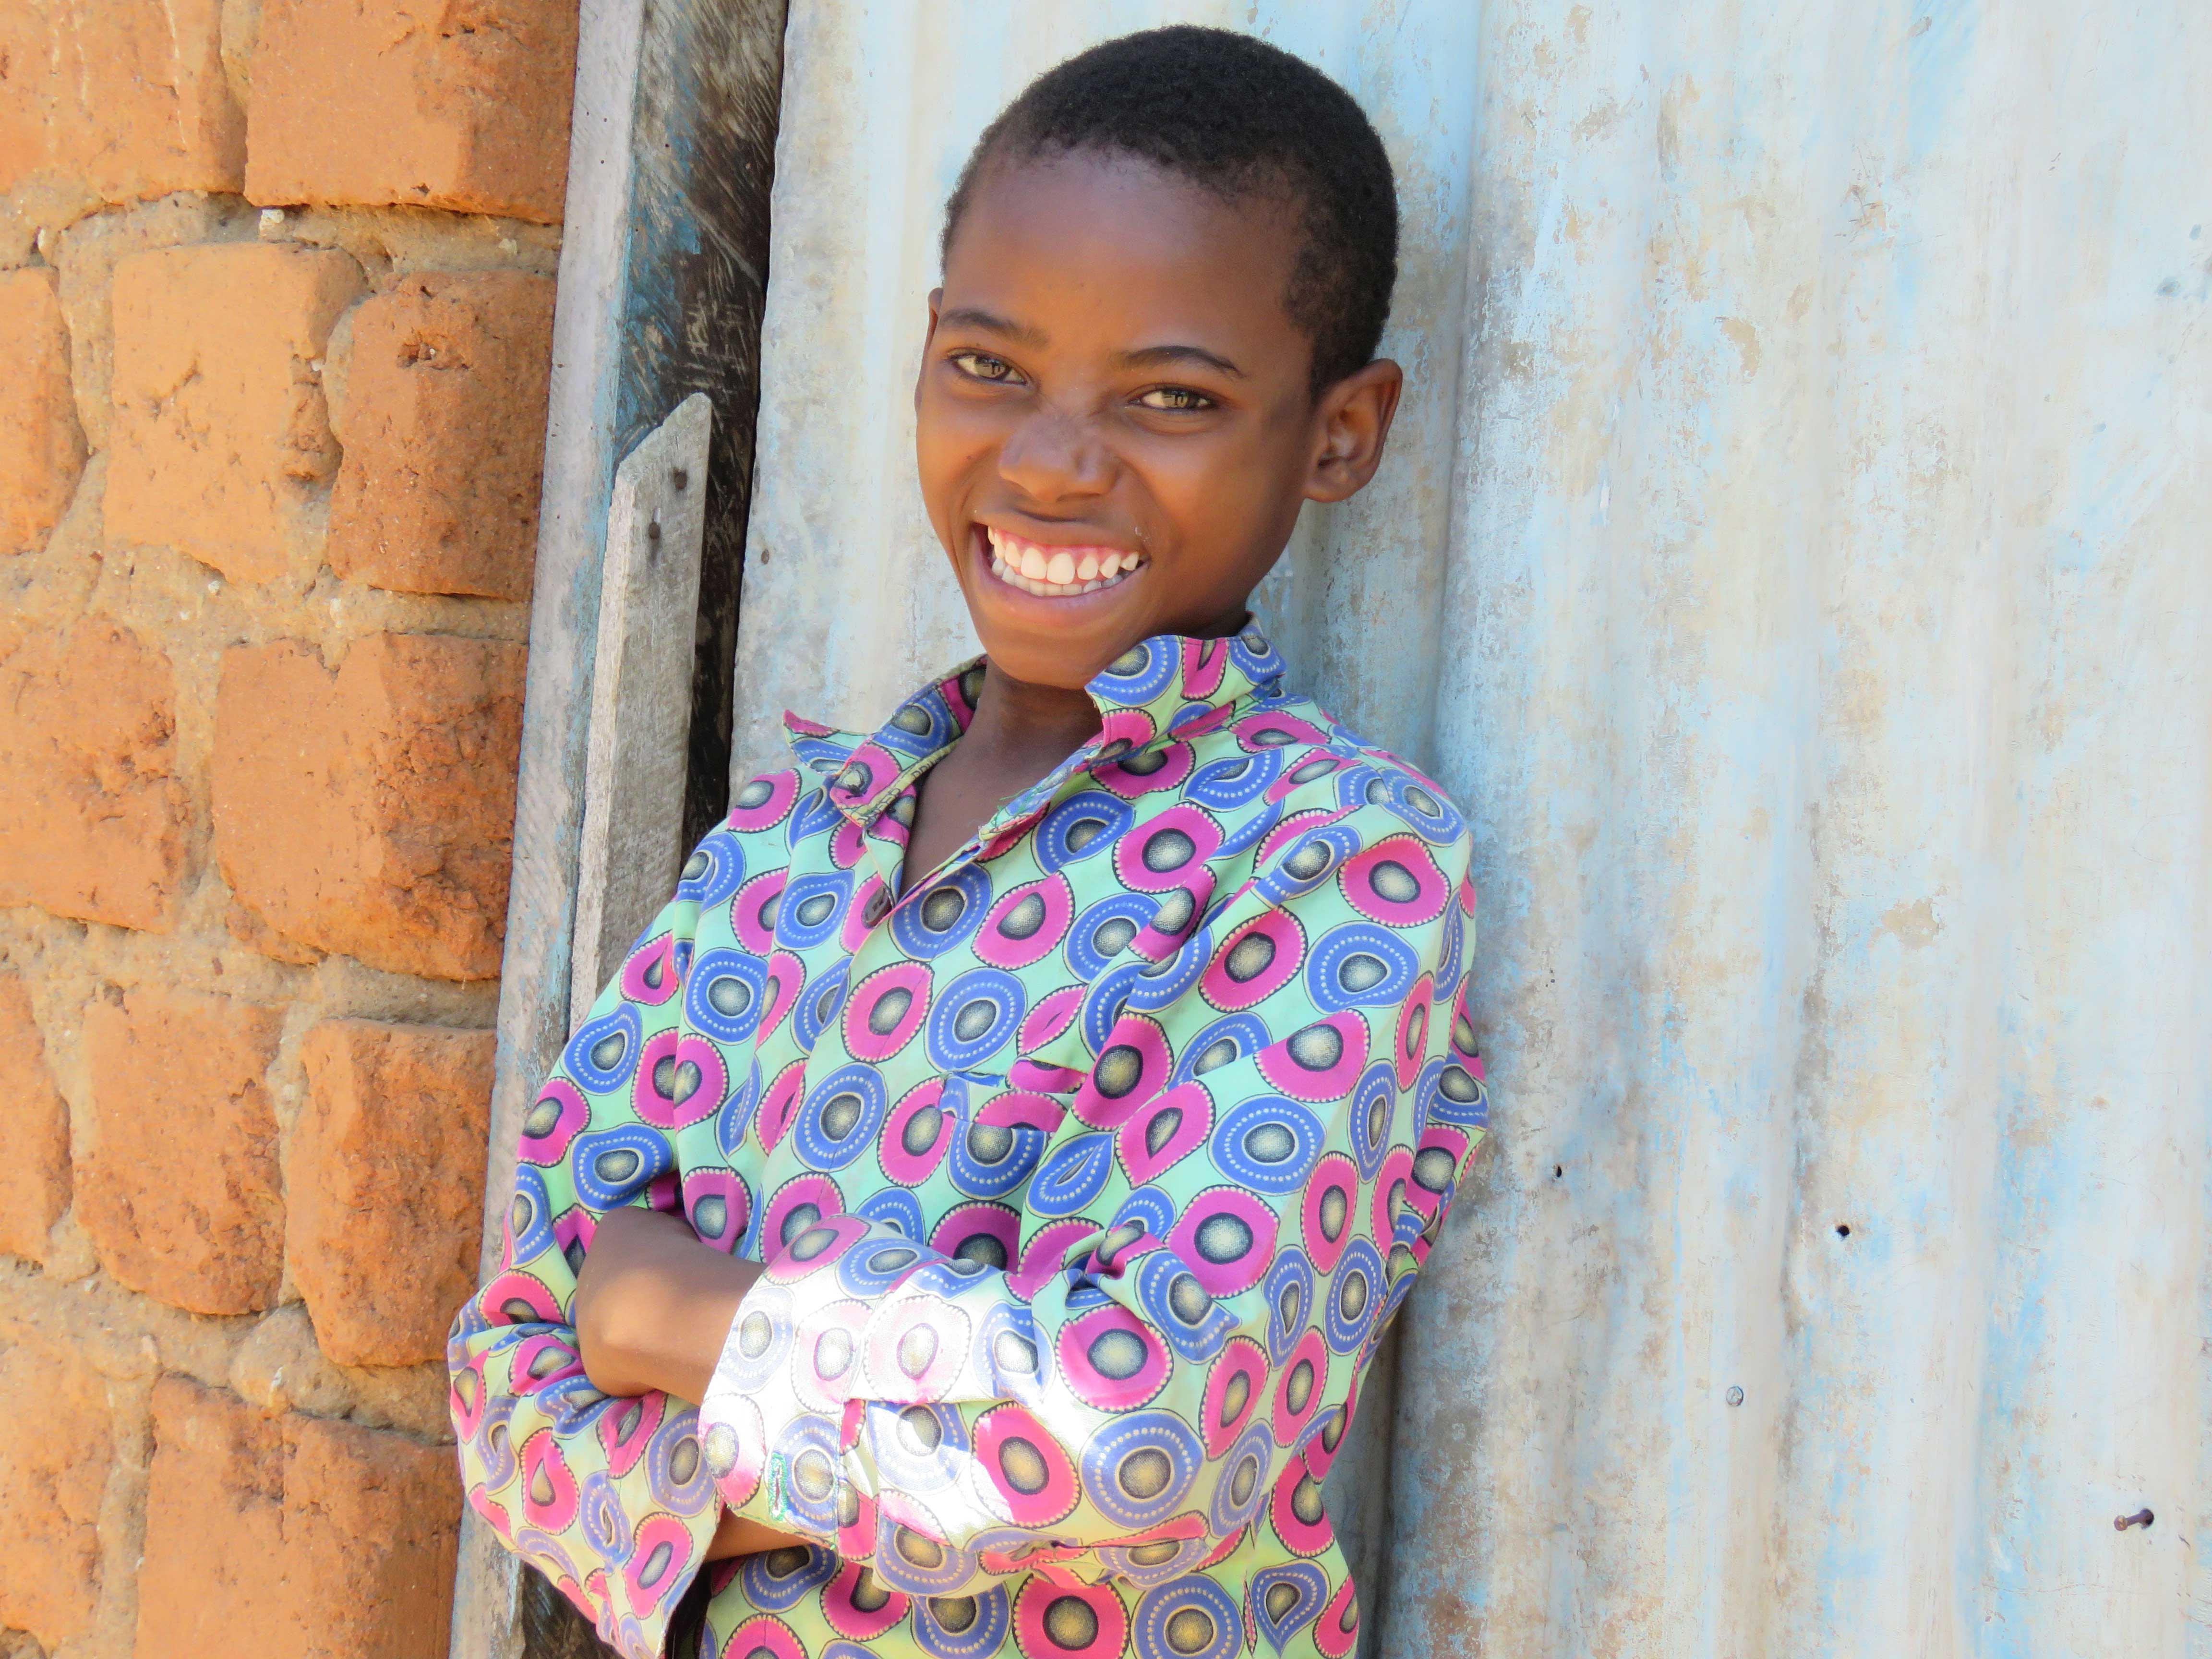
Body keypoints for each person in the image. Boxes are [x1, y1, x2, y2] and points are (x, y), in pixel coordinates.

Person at [449, 25, 1489, 1659]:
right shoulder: (785, 852)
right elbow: (511, 1374)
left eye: (1172, 397)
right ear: (930, 351)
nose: (1053, 463)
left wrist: (679, 1316)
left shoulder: (1336, 864)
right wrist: (943, 1428)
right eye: (992, 369)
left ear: (1338, 433)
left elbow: (1147, 1431)